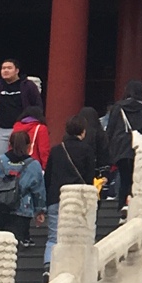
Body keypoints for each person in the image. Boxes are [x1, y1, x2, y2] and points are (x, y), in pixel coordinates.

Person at [45, 111, 101, 265]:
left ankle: (48, 265)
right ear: (83, 131)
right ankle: (73, 265)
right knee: (77, 236)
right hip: (78, 199)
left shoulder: (56, 150)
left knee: (53, 237)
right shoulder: (87, 150)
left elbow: (48, 176)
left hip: (56, 197)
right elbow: (89, 177)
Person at [0, 130, 45, 242]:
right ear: (28, 146)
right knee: (14, 243)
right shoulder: (33, 165)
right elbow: (38, 191)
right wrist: (40, 211)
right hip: (21, 209)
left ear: (9, 145)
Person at [101, 81, 142, 205]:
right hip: (139, 148)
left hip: (121, 147)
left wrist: (108, 150)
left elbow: (110, 129)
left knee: (124, 178)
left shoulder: (118, 107)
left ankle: (122, 206)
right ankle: (132, 205)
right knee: (137, 178)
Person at [0, 59, 44, 159]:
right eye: (3, 68)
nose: (5, 70)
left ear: (17, 71)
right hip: (2, 130)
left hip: (22, 129)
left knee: (22, 160)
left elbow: (38, 107)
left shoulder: (28, 85)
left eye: (9, 68)